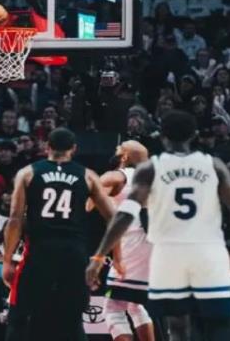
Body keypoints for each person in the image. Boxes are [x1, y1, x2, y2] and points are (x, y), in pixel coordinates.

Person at [86, 110, 230, 341]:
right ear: (194, 135)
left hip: (170, 252)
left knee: (178, 324)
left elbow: (123, 216)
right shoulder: (214, 165)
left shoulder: (150, 170)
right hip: (207, 251)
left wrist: (99, 256)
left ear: (162, 137)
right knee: (217, 323)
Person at [3, 127, 117, 341]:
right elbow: (113, 218)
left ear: (47, 146)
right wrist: (100, 256)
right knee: (72, 320)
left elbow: (15, 219)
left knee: (21, 315)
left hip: (39, 250)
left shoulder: (28, 173)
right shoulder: (88, 175)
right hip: (74, 252)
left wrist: (7, 260)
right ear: (73, 149)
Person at [90, 141, 155, 341]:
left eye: (118, 150)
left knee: (112, 308)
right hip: (153, 246)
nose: (115, 151)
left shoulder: (118, 175)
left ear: (125, 156)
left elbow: (89, 202)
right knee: (135, 304)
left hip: (132, 244)